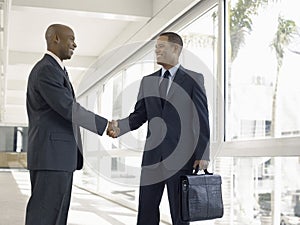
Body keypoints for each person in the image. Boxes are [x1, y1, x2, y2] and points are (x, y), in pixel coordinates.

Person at [107, 32, 210, 225]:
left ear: (176, 49)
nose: (157, 51)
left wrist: (203, 153)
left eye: (161, 47)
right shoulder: (148, 81)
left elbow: (201, 119)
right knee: (146, 211)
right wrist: (119, 127)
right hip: (152, 158)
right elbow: (139, 116)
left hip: (181, 158)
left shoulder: (194, 79)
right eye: (156, 48)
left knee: (180, 213)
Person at [25, 24, 109, 225]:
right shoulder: (46, 69)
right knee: (45, 216)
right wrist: (105, 125)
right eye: (71, 39)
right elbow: (67, 107)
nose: (75, 44)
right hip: (51, 157)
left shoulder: (56, 69)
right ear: (55, 38)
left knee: (56, 215)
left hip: (58, 157)